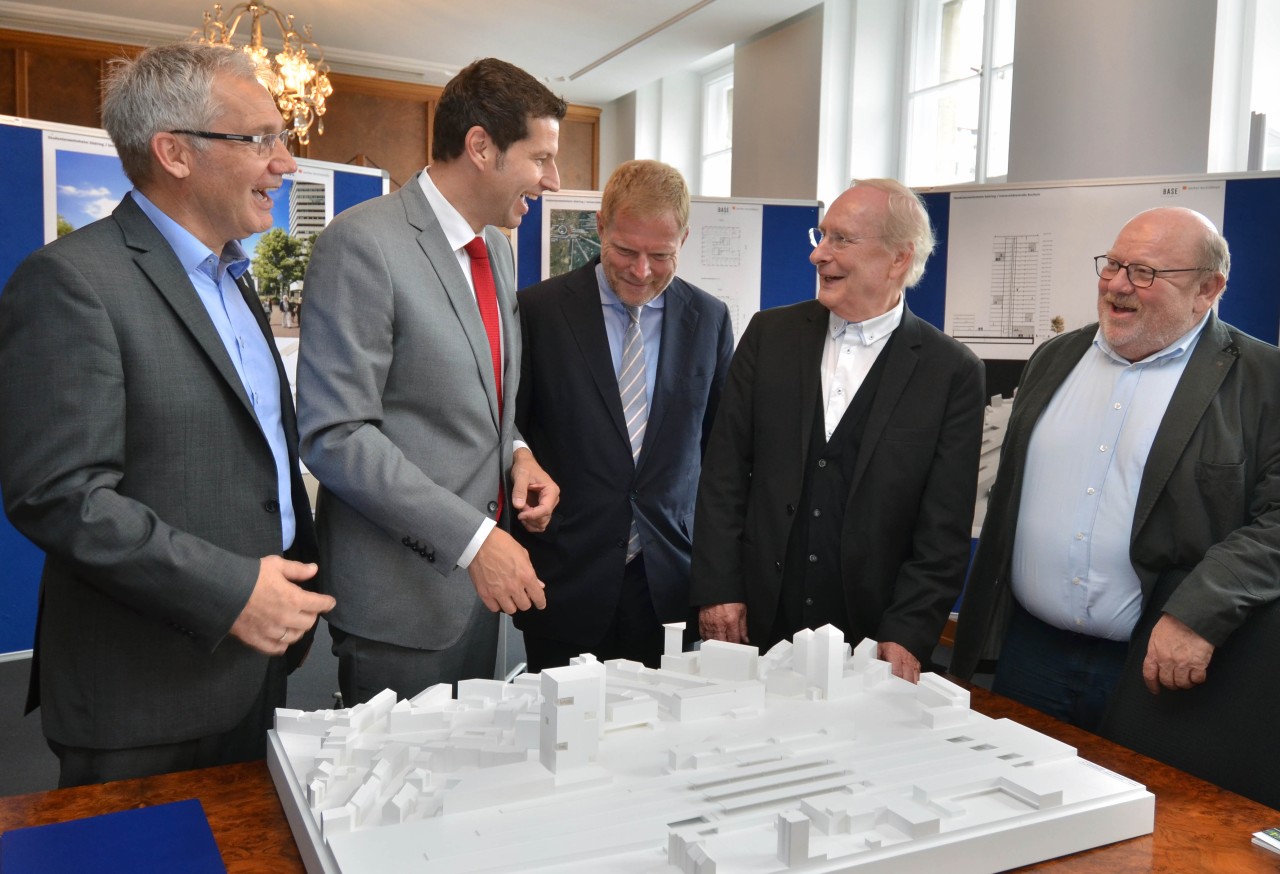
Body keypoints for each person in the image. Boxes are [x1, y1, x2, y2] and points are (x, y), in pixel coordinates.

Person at [0, 43, 335, 787]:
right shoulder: (71, 282)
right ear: (175, 153)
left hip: (261, 664)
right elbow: (59, 496)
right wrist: (232, 591)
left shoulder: (236, 278)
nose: (287, 164)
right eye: (262, 140)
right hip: (143, 694)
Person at [952, 206, 1280, 808]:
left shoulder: (1264, 383)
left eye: (1147, 272)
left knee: (1142, 836)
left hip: (1159, 675)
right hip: (1031, 655)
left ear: (1208, 289)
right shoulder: (1057, 359)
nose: (1118, 284)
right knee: (1005, 815)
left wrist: (1197, 613)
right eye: (1114, 265)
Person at [297, 58, 563, 704]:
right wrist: (474, 542)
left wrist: (520, 453)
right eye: (542, 158)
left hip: (478, 599)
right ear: (480, 147)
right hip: (400, 602)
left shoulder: (497, 250)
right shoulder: (361, 244)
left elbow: (477, 393)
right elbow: (336, 435)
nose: (553, 181)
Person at [691, 178, 984, 682]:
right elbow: (723, 475)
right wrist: (719, 588)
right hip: (757, 622)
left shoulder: (951, 371)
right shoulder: (769, 336)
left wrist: (909, 632)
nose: (818, 255)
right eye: (821, 236)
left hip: (871, 638)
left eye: (841, 240)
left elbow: (944, 526)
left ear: (897, 258)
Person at [513, 160, 734, 671]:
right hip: (564, 578)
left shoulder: (710, 319)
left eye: (661, 255)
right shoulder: (539, 312)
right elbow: (510, 432)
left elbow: (719, 455)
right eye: (625, 251)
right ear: (600, 227)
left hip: (668, 586)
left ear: (684, 237)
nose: (641, 271)